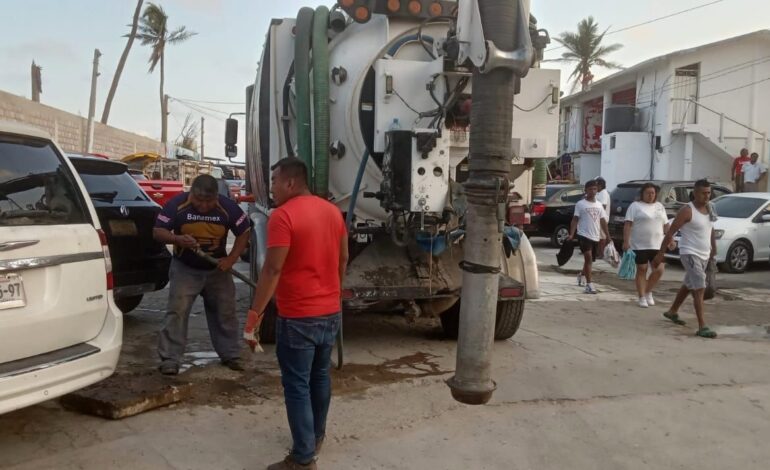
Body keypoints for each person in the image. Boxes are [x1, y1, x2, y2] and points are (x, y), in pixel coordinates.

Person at [244, 157, 348, 470]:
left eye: (274, 181)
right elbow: (343, 258)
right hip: (329, 311)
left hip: (299, 316)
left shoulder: (283, 216)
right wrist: (331, 292)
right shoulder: (332, 212)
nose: (271, 188)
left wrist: (254, 315)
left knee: (297, 386)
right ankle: (315, 437)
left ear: (290, 182)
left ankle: (303, 459)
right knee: (319, 377)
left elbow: (273, 268)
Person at [153, 174, 251, 375]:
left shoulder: (227, 207)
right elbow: (158, 231)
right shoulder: (177, 204)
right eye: (199, 200)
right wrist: (177, 239)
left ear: (216, 196)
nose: (203, 205)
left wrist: (231, 259)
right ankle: (170, 359)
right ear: (191, 194)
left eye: (209, 201)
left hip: (217, 270)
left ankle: (231, 354)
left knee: (226, 312)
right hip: (185, 269)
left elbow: (245, 231)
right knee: (177, 312)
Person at [653, 179, 717, 339]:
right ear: (695, 193)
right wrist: (661, 253)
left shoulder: (710, 208)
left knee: (689, 284)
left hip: (704, 254)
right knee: (699, 287)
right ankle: (702, 326)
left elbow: (711, 229)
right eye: (703, 193)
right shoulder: (687, 211)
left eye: (709, 193)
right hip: (689, 253)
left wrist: (713, 249)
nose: (706, 196)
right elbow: (670, 232)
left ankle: (672, 311)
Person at [623, 183, 669, 308]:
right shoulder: (635, 206)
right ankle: (642, 296)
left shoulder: (660, 206)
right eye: (648, 193)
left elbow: (666, 224)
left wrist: (670, 239)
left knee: (659, 270)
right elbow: (628, 224)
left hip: (657, 244)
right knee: (642, 269)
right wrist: (626, 241)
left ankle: (648, 291)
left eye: (653, 193)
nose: (650, 195)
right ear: (642, 194)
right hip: (639, 244)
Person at [568, 179, 611, 294]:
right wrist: (571, 234)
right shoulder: (580, 204)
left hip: (595, 235)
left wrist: (608, 236)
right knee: (588, 257)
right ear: (586, 190)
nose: (593, 191)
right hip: (583, 234)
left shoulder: (599, 205)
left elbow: (603, 221)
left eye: (595, 189)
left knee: (590, 260)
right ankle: (589, 284)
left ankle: (582, 274)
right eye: (590, 189)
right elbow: (575, 219)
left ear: (597, 190)